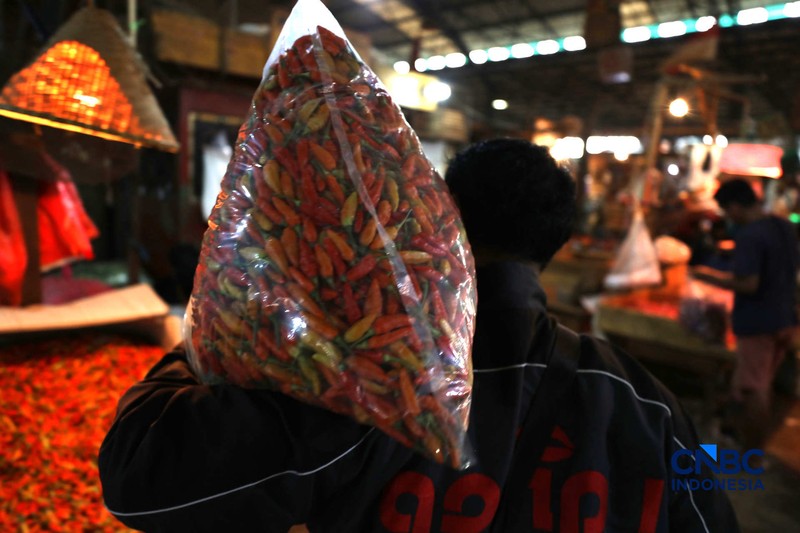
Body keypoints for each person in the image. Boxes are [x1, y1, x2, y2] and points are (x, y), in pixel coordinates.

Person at [99, 139, 739, 532]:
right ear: (556, 245)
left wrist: (218, 336)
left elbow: (140, 479)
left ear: (436, 213)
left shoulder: (366, 379)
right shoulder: (642, 403)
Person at [691, 178, 798, 455]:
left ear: (736, 207)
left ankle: (753, 453)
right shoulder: (783, 226)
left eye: (727, 212)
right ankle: (754, 441)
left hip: (758, 322)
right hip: (785, 318)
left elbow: (749, 284)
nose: (727, 218)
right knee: (766, 382)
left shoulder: (750, 235)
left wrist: (708, 277)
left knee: (753, 389)